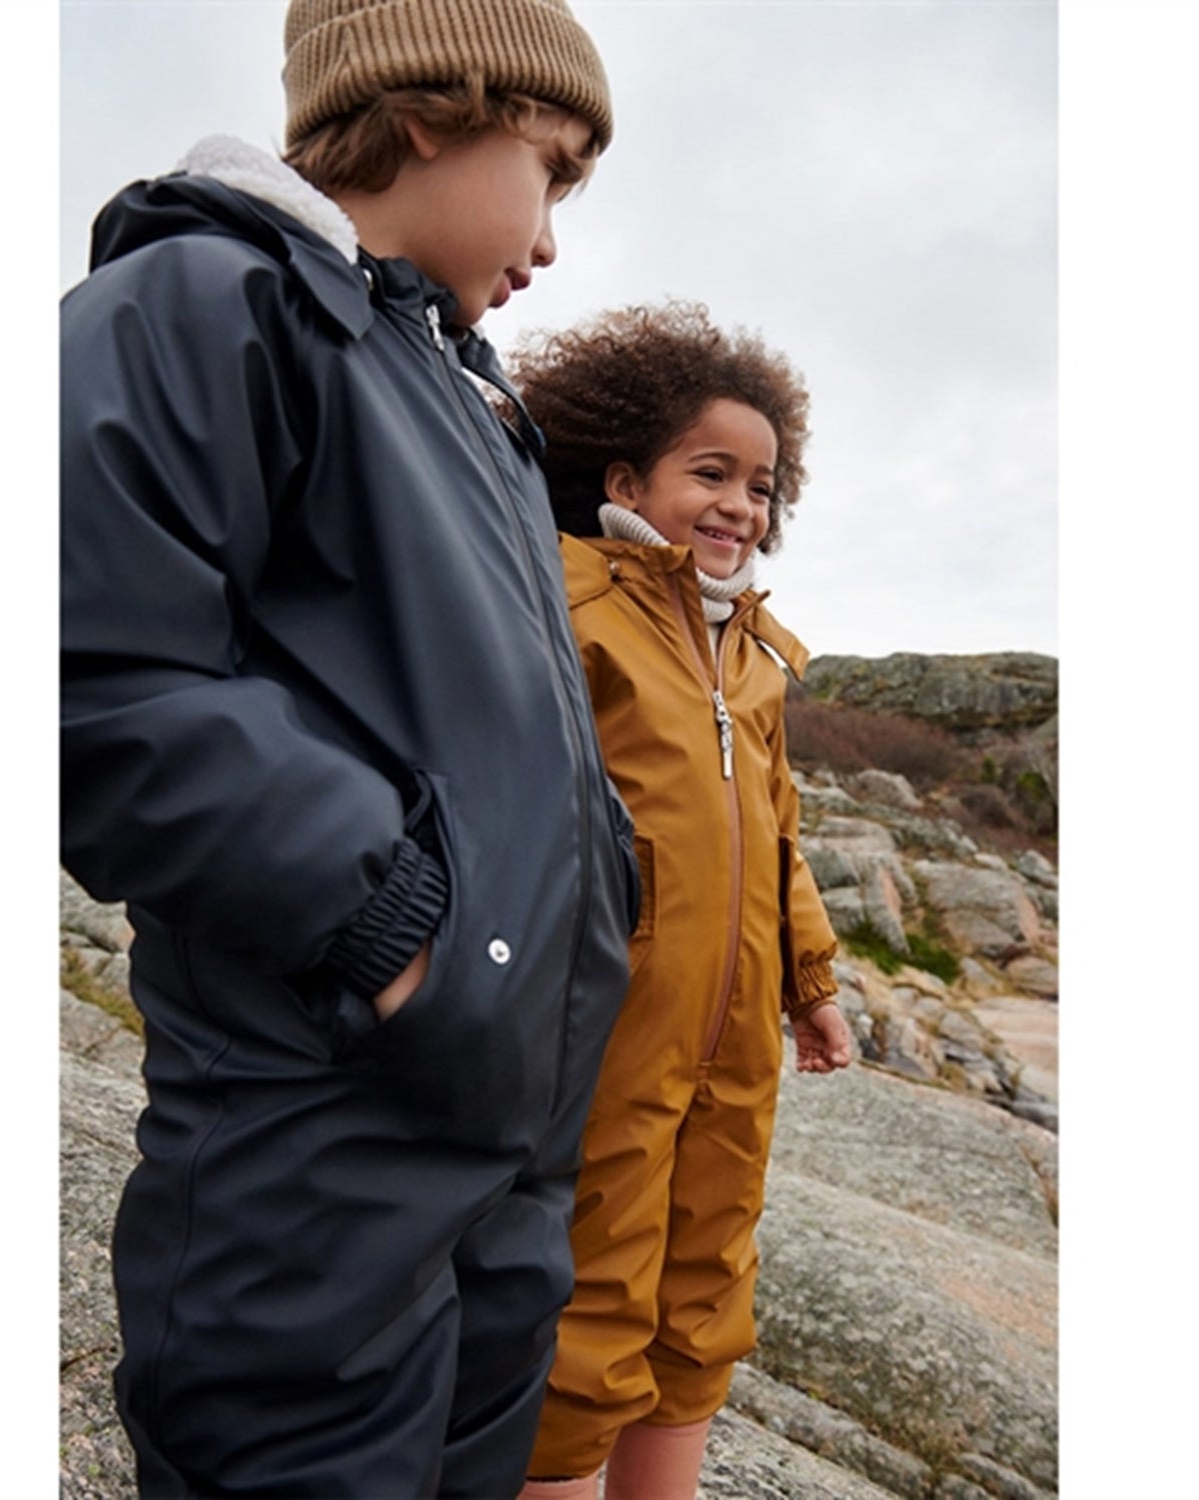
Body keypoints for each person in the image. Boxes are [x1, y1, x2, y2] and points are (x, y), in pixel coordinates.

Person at [60, 3, 638, 1495]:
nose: (551, 241)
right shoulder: (204, 299)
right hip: (313, 1145)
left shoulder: (468, 398)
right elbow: (88, 669)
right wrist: (393, 929)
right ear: (432, 109)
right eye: (552, 172)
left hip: (506, 1147)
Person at [506, 302, 856, 1500]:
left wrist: (810, 981)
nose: (739, 506)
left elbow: (779, 834)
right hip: (613, 1021)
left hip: (737, 1031)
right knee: (593, 1289)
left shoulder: (755, 656)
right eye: (710, 474)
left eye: (762, 488)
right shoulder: (571, 602)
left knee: (706, 1290)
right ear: (624, 481)